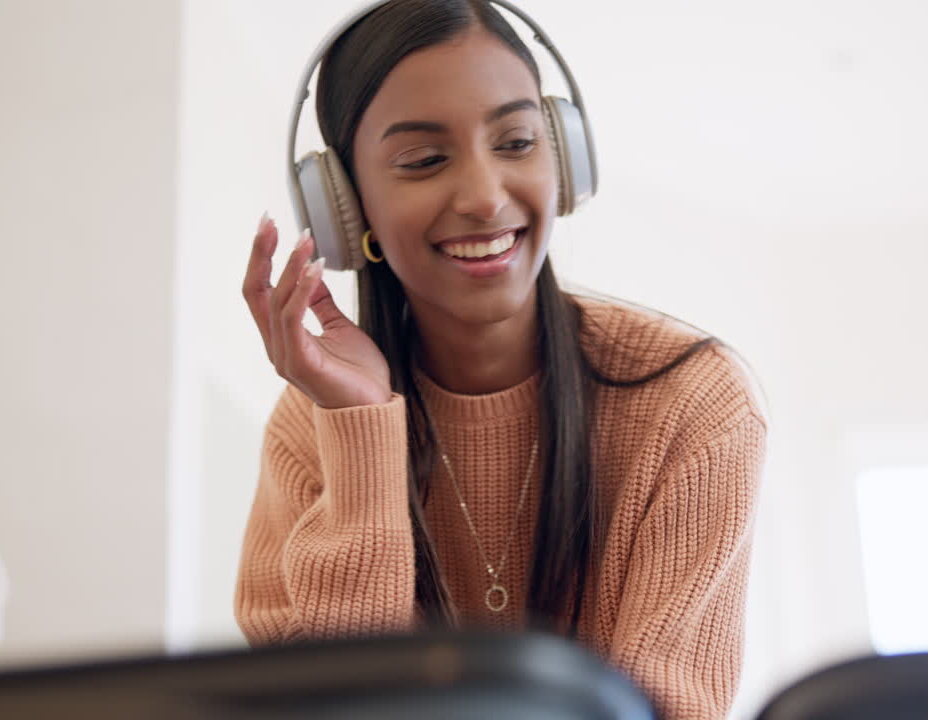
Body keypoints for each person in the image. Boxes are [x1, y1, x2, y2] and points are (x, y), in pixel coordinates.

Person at [236, 1, 767, 717]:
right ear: (345, 211)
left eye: (516, 142)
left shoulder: (691, 405)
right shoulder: (312, 431)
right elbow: (333, 708)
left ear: (564, 160)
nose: (486, 198)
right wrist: (359, 430)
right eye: (424, 160)